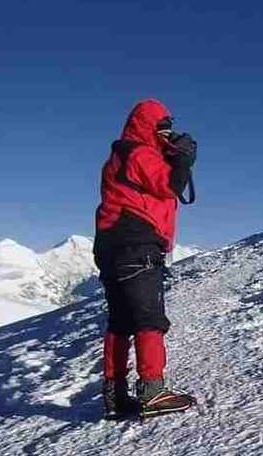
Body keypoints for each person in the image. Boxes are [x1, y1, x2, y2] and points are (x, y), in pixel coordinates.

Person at [93, 98, 197, 419]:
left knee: (120, 322)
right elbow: (168, 185)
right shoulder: (139, 153)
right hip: (137, 243)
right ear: (148, 127)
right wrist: (184, 161)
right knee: (148, 318)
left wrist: (172, 156)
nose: (168, 133)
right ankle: (152, 392)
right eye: (163, 127)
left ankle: (115, 397)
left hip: (111, 245)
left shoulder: (122, 155)